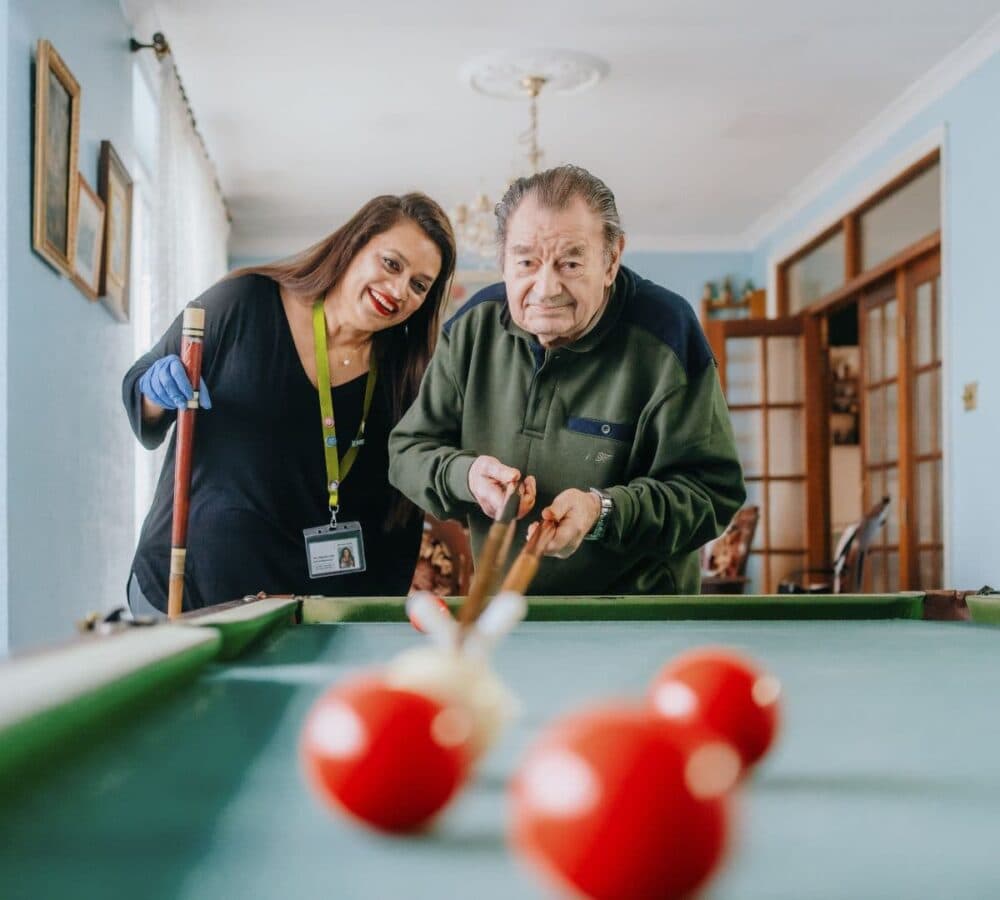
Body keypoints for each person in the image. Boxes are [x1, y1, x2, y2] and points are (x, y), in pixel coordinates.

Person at [388, 165, 745, 595]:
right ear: (502, 261)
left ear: (611, 260)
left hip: (636, 619)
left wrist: (604, 511)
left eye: (570, 263)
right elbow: (407, 452)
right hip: (508, 615)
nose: (545, 288)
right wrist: (466, 475)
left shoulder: (668, 333)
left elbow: (711, 494)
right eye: (526, 262)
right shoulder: (471, 328)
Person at [123, 193, 456, 615]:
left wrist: (373, 613)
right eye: (391, 264)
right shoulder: (243, 301)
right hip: (186, 594)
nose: (398, 290)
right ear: (354, 245)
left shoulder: (409, 375)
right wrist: (155, 390)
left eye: (419, 285)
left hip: (304, 619)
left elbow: (398, 515)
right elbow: (142, 388)